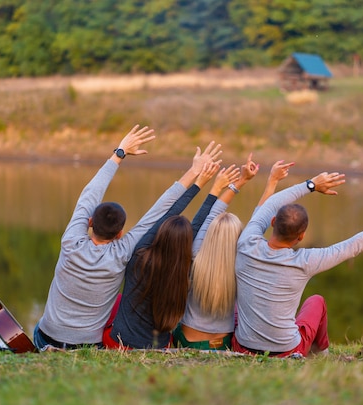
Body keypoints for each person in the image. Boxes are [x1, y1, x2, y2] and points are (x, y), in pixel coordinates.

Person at [33, 124, 222, 351]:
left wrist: (119, 153)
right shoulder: (124, 251)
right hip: (86, 346)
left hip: (48, 338)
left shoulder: (71, 241)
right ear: (120, 233)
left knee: (39, 327)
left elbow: (90, 194)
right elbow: (160, 211)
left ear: (89, 222)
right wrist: (194, 173)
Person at [232, 171, 363, 357]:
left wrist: (311, 185)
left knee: (235, 303)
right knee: (316, 301)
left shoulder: (246, 243)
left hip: (242, 346)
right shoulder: (305, 261)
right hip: (287, 350)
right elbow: (354, 245)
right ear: (301, 236)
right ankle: (321, 354)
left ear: (273, 221)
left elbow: (271, 203)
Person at [102, 161, 241, 349]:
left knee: (115, 302)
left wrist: (200, 183)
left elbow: (169, 212)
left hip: (120, 343)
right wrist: (215, 189)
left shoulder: (139, 256)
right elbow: (197, 226)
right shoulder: (183, 271)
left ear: (160, 233)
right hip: (159, 346)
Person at [173, 159, 295, 350]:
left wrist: (241, 181)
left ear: (210, 233)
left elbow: (214, 212)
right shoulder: (244, 260)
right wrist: (272, 181)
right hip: (222, 344)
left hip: (184, 339)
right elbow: (260, 219)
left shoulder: (196, 253)